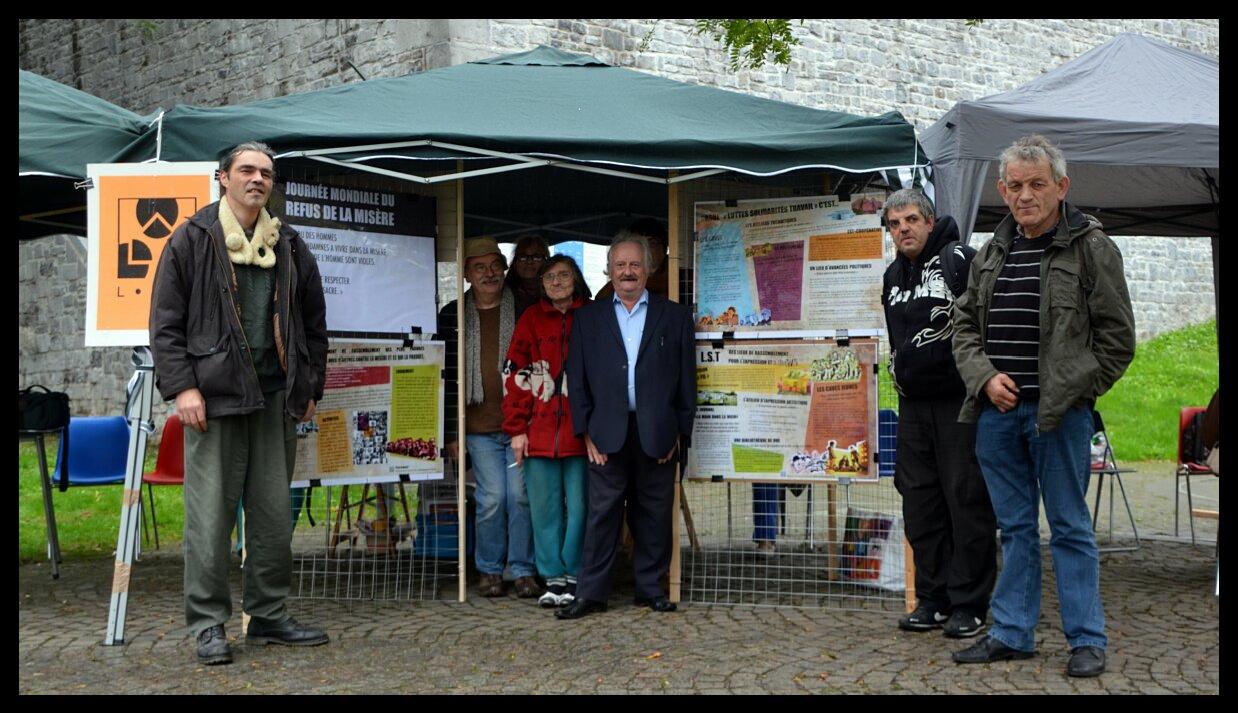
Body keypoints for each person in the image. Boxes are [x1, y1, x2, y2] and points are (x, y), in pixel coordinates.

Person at [950, 135, 1135, 678]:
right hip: (997, 418)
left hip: (1059, 417)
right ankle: (1012, 632)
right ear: (1002, 190)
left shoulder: (1092, 248)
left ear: (1061, 186)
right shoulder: (993, 251)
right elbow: (962, 325)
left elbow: (1117, 339)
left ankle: (1086, 639)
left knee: (1071, 526)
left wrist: (1079, 388)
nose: (1025, 195)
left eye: (1037, 184)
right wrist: (984, 378)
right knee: (1014, 529)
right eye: (1015, 186)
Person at [149, 141, 330, 665]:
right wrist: (182, 387)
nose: (257, 179)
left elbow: (314, 324)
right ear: (223, 178)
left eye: (266, 173)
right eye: (246, 170)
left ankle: (268, 616)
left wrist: (310, 386)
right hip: (215, 401)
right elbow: (165, 324)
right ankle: (208, 625)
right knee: (210, 519)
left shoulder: (290, 244)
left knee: (273, 517)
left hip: (276, 399)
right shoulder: (192, 238)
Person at [557, 230, 696, 619]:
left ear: (648, 270)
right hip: (605, 433)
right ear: (608, 271)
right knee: (602, 515)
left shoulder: (675, 316)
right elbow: (577, 379)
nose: (628, 272)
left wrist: (680, 433)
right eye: (620, 265)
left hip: (657, 432)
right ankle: (591, 594)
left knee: (654, 513)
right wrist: (583, 432)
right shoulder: (588, 319)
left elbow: (688, 381)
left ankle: (651, 590)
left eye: (635, 264)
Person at [881, 188, 996, 639]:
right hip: (912, 405)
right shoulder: (891, 276)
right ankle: (933, 597)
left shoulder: (960, 259)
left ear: (930, 221)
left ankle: (970, 603)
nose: (903, 229)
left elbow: (984, 323)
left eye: (911, 219)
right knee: (920, 503)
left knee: (965, 501)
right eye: (894, 223)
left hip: (959, 401)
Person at [437, 236, 538, 599]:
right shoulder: (452, 315)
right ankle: (490, 571)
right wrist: (451, 432)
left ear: (504, 268)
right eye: (479, 267)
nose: (489, 273)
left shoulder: (527, 307)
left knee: (521, 498)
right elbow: (445, 377)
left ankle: (524, 570)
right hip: (477, 428)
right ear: (466, 273)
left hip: (520, 426)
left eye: (494, 265)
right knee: (493, 498)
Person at [503, 255, 592, 608]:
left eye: (563, 275)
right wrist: (516, 430)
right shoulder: (530, 319)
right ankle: (553, 579)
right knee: (544, 508)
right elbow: (514, 373)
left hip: (582, 433)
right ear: (541, 284)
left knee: (583, 506)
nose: (556, 282)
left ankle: (576, 574)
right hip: (538, 431)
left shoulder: (593, 315)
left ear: (576, 279)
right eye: (549, 277)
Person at [593, 218, 670, 301]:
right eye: (639, 243)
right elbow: (600, 298)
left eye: (652, 243)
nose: (645, 248)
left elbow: (665, 283)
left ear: (664, 249)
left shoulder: (675, 270)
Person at [504, 233, 551, 318]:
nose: (529, 262)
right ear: (515, 262)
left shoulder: (556, 291)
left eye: (536, 257)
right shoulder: (502, 294)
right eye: (523, 257)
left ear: (546, 262)